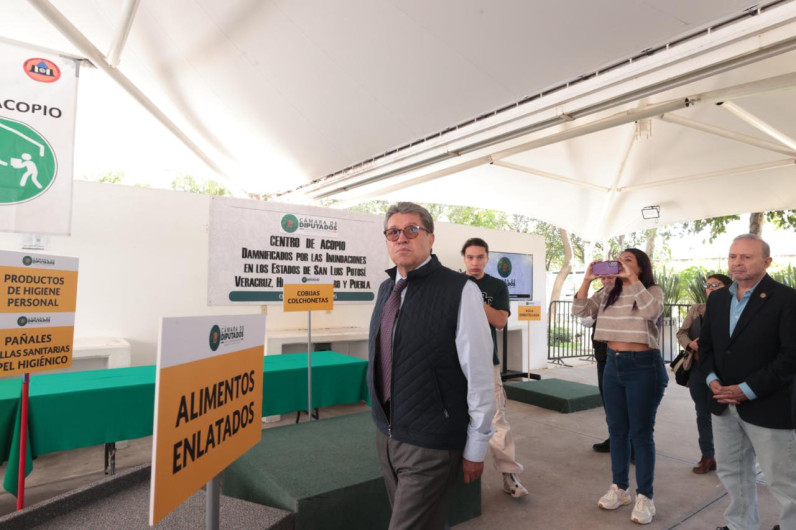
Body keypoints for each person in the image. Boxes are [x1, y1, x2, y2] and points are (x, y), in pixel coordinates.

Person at [367, 202, 496, 529]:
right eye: (393, 232)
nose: (402, 238)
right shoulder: (386, 289)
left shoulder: (460, 290)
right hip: (388, 435)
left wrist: (477, 445)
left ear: (431, 238)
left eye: (412, 230)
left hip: (431, 441)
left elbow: (479, 374)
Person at [697, 234, 796, 530]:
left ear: (766, 262)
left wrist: (746, 390)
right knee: (733, 473)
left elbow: (791, 357)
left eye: (746, 257)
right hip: (723, 405)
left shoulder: (787, 299)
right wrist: (712, 379)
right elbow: (708, 347)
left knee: (783, 481)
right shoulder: (717, 298)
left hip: (768, 405)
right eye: (732, 256)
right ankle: (741, 526)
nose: (737, 262)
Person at [573, 248, 666, 525]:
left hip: (644, 365)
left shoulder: (652, 290)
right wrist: (588, 280)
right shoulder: (608, 291)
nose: (620, 264)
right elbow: (580, 311)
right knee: (617, 431)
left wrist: (631, 281)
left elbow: (652, 312)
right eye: (618, 260)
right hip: (613, 363)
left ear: (641, 267)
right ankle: (620, 488)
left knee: (640, 432)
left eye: (628, 260)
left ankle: (645, 497)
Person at [461, 237, 528, 498]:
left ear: (487, 258)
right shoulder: (453, 283)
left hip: (487, 362)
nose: (475, 262)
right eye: (470, 257)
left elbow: (500, 321)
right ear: (464, 259)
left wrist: (474, 297)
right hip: (454, 362)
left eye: (480, 257)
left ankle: (509, 474)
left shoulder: (496, 286)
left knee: (496, 419)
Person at [675, 273, 732, 475]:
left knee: (727, 414)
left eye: (716, 284)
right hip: (699, 368)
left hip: (726, 370)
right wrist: (690, 344)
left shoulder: (736, 309)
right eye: (708, 285)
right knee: (703, 413)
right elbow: (681, 333)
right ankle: (708, 456)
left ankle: (730, 459)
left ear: (728, 287)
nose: (710, 288)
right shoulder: (697, 309)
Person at [581, 276, 615, 454]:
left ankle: (633, 443)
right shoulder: (600, 294)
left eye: (611, 277)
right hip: (602, 355)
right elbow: (584, 317)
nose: (606, 281)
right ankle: (614, 437)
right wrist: (595, 314)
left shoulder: (629, 294)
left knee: (625, 403)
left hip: (622, 355)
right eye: (603, 277)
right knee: (608, 400)